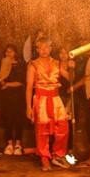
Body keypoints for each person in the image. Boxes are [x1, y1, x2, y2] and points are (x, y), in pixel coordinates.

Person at [27, 36, 70, 170]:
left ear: (51, 48)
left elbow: (70, 78)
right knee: (42, 130)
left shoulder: (57, 63)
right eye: (41, 48)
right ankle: (44, 158)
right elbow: (29, 87)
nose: (44, 50)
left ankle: (57, 155)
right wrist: (28, 107)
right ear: (37, 49)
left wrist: (71, 66)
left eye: (47, 47)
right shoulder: (33, 64)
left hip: (56, 99)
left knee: (63, 127)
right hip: (41, 99)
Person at [0, 43, 27, 157]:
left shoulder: (20, 65)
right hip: (6, 97)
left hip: (18, 96)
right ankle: (9, 144)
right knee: (7, 119)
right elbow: (0, 78)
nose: (9, 53)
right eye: (7, 51)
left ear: (15, 53)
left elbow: (21, 81)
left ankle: (18, 144)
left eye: (11, 51)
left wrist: (7, 84)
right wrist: (1, 80)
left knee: (18, 120)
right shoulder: (3, 63)